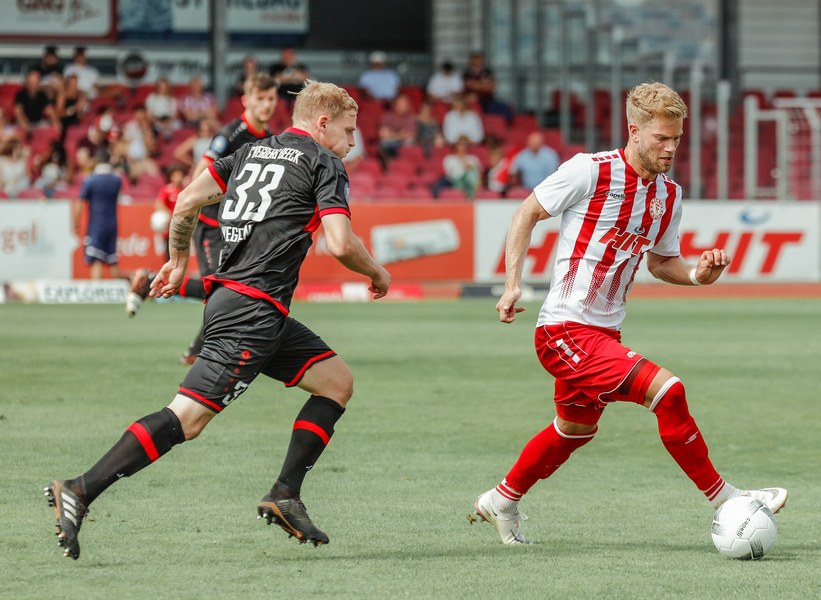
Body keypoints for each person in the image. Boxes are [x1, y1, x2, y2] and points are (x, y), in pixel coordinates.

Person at [46, 80, 391, 560]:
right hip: (251, 313)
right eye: (349, 131)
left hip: (249, 307)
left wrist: (177, 262)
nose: (352, 142)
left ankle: (285, 493)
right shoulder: (323, 161)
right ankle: (80, 489)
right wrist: (377, 272)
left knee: (336, 382)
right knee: (186, 420)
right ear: (322, 122)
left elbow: (187, 200)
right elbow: (339, 242)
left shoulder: (250, 152)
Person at [469, 82, 787, 545]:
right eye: (661, 138)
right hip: (564, 330)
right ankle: (728, 499)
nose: (671, 148)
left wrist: (697, 275)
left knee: (575, 430)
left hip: (604, 335)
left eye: (677, 139)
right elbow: (526, 213)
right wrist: (512, 283)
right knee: (669, 391)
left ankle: (500, 500)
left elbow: (661, 262)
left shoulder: (669, 195)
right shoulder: (590, 170)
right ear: (634, 131)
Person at [126, 73, 278, 370]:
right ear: (246, 100)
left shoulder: (270, 138)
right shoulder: (230, 135)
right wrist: (190, 207)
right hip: (211, 224)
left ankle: (194, 346)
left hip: (240, 227)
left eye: (271, 98)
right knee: (219, 290)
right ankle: (198, 348)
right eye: (260, 98)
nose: (267, 105)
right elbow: (201, 171)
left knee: (229, 289)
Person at [73, 148, 122, 280]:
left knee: (96, 260)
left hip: (96, 224)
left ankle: (97, 291)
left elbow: (80, 202)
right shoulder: (117, 180)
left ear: (96, 161)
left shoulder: (90, 180)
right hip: (112, 223)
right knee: (112, 260)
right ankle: (118, 291)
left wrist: (75, 223)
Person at [431, 135, 482, 200]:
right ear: (456, 146)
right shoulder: (450, 159)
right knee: (469, 173)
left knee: (471, 172)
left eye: (464, 145)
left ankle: (472, 193)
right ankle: (471, 195)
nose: (463, 147)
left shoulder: (473, 158)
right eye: (460, 145)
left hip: (473, 182)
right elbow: (450, 174)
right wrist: (463, 167)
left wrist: (468, 166)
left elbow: (477, 173)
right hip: (456, 181)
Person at [13, 67, 59, 137]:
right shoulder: (21, 95)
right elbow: (18, 113)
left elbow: (50, 111)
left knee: (54, 127)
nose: (33, 86)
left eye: (35, 83)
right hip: (25, 124)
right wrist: (27, 127)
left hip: (38, 124)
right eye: (31, 83)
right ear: (27, 83)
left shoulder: (42, 95)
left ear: (39, 83)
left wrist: (55, 122)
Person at [377, 93, 417, 166]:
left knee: (409, 142)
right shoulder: (387, 117)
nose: (405, 106)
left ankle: (404, 165)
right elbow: (383, 135)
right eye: (402, 104)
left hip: (403, 143)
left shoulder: (410, 118)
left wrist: (392, 134)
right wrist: (400, 134)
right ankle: (387, 165)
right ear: (396, 105)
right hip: (391, 143)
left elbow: (411, 135)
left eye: (406, 104)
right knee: (384, 143)